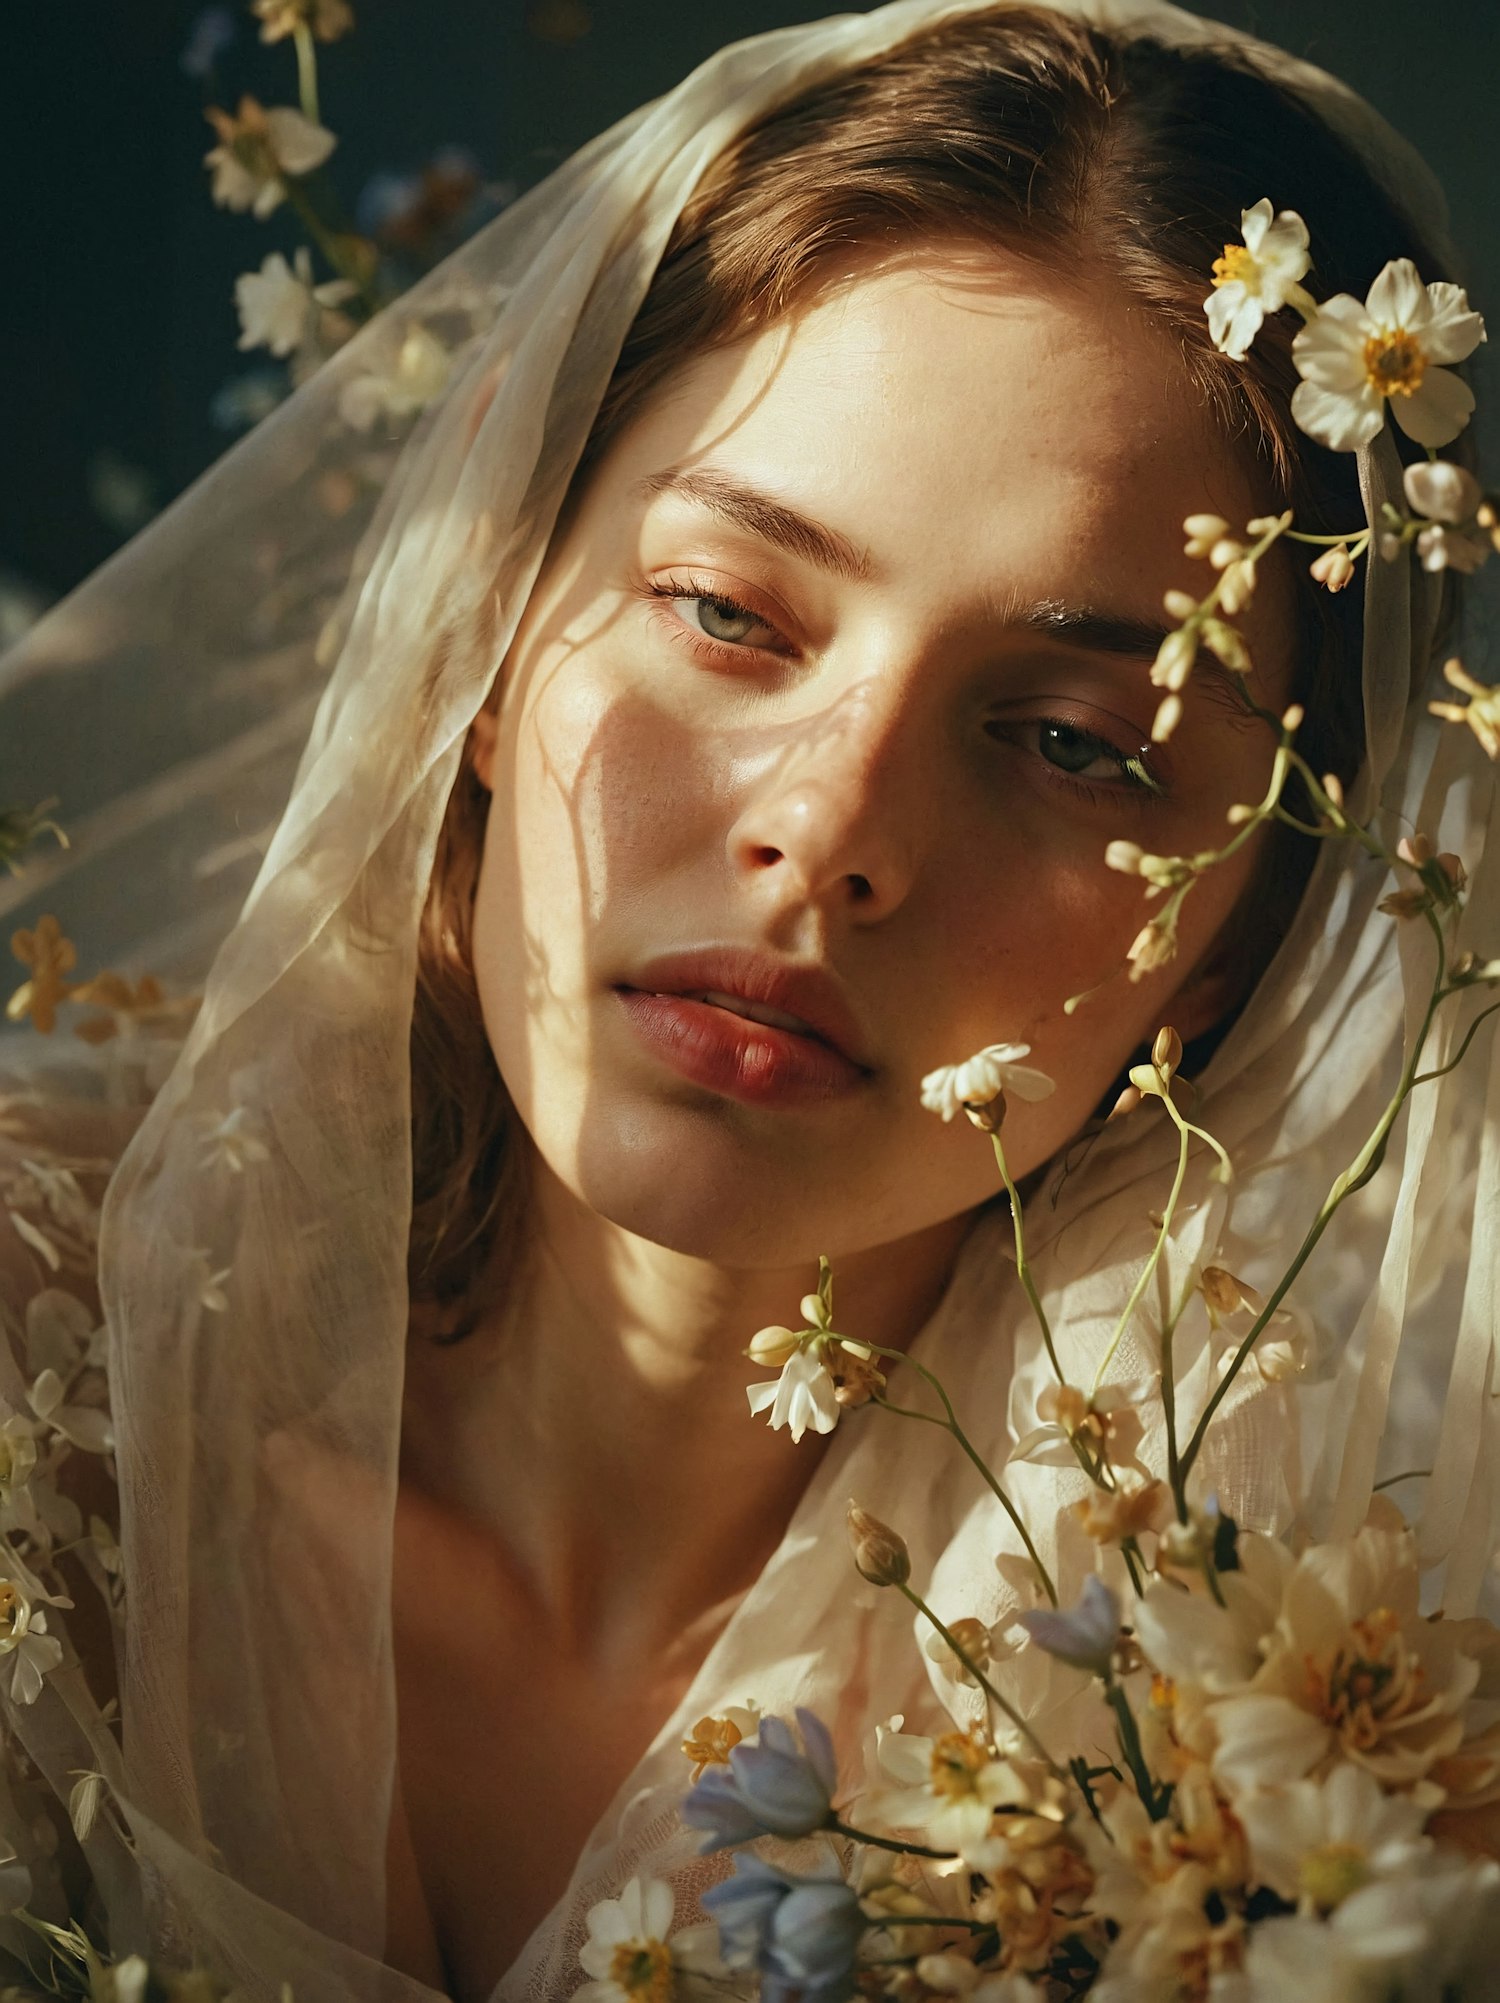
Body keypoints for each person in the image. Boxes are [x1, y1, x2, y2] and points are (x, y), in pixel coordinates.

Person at [0, 1, 1494, 1999]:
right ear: (492, 628)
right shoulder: (48, 1408)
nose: (832, 826)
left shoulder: (1277, 1765)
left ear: (1242, 932)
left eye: (1068, 741)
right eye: (725, 613)